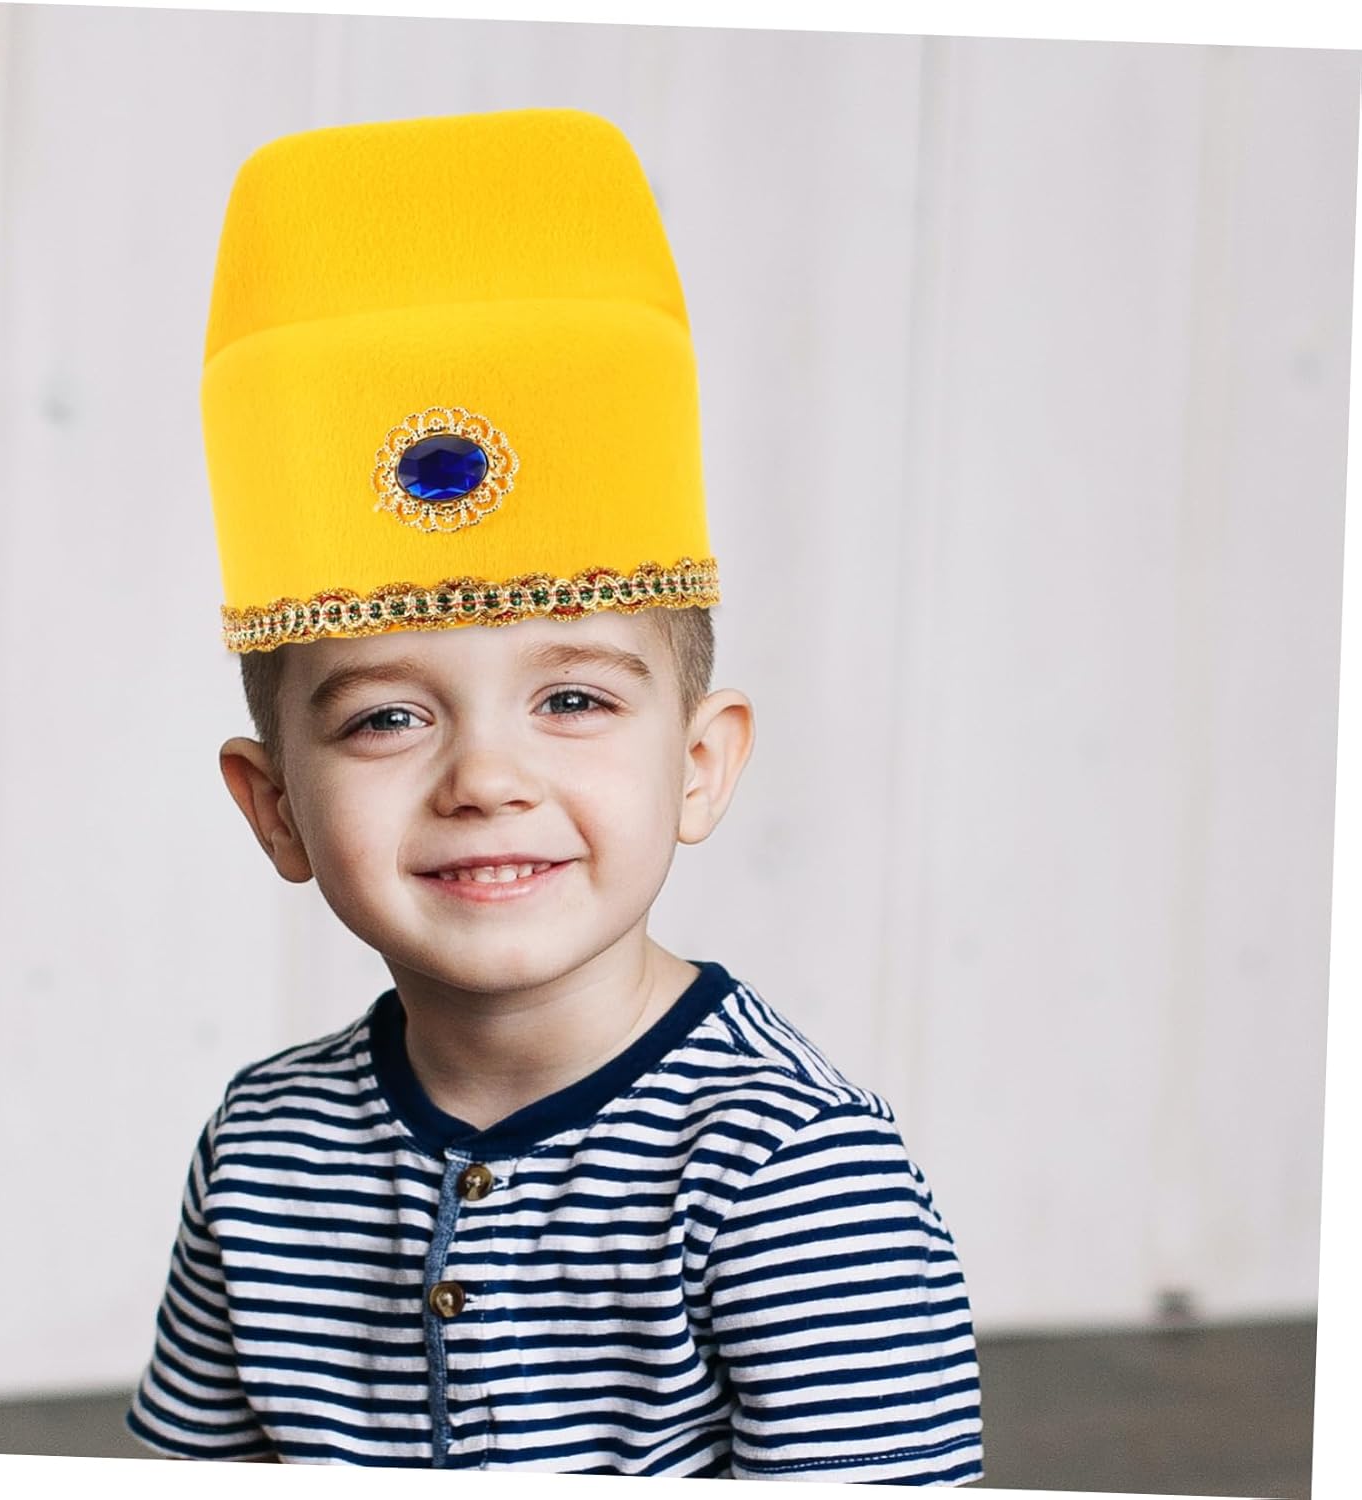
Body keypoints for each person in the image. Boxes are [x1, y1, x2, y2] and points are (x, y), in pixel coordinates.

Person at [126, 106, 984, 1484]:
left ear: (698, 764)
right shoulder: (261, 1150)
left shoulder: (791, 1172)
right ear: (274, 806)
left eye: (573, 701)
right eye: (388, 718)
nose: (485, 779)